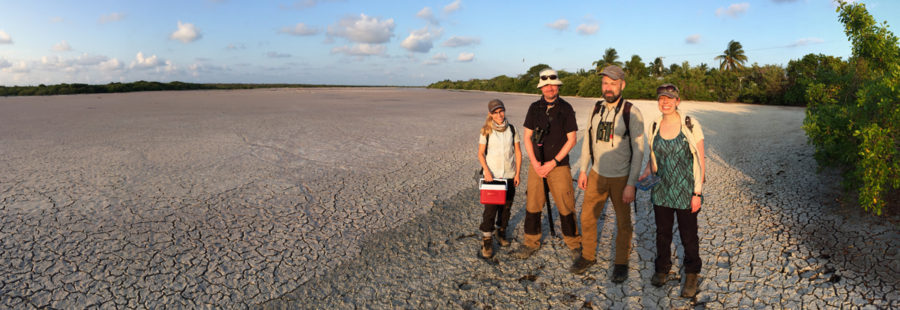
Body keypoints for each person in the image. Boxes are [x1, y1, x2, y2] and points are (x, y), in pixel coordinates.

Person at [570, 65, 645, 284]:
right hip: (596, 174)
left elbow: (639, 151)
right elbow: (588, 143)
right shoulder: (596, 108)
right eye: (605, 83)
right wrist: (583, 169)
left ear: (622, 85)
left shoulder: (631, 112)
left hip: (621, 177)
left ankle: (621, 263)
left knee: (623, 223)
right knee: (587, 217)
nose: (608, 87)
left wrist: (631, 183)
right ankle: (588, 256)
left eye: (613, 83)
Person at [639, 83, 706, 298]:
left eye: (670, 98)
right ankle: (662, 268)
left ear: (678, 101)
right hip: (661, 189)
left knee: (688, 236)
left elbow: (700, 160)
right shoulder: (654, 125)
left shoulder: (691, 124)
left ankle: (692, 273)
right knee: (662, 233)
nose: (665, 102)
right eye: (661, 98)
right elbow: (654, 155)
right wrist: (647, 171)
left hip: (686, 190)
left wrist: (697, 193)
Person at [511, 68, 582, 260]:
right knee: (533, 204)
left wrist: (553, 162)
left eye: (553, 85)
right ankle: (530, 243)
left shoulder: (566, 108)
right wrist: (535, 163)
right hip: (537, 166)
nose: (550, 88)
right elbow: (527, 137)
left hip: (558, 166)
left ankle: (573, 243)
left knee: (566, 205)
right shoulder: (534, 108)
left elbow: (572, 139)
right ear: (541, 88)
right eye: (546, 86)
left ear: (558, 86)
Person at [477, 99, 522, 258]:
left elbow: (517, 152)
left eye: (501, 111)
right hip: (492, 177)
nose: (499, 115)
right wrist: (487, 172)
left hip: (509, 175)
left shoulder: (512, 129)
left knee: (506, 208)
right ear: (490, 114)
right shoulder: (486, 130)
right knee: (490, 209)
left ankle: (501, 232)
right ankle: (487, 239)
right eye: (495, 112)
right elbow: (480, 153)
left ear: (504, 110)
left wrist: (517, 173)